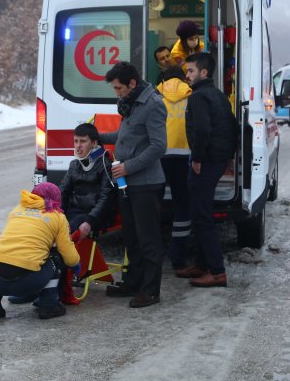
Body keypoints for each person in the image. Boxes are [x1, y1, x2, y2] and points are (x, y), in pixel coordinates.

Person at [101, 61, 167, 308]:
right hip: (127, 183)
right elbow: (126, 136)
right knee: (131, 237)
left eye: (119, 88)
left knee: (148, 238)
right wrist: (98, 137)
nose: (116, 93)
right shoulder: (130, 104)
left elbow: (159, 146)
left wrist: (129, 167)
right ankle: (133, 283)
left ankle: (150, 291)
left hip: (146, 184)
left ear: (132, 83)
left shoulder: (152, 105)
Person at [178, 52, 237, 287]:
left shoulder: (199, 97)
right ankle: (202, 265)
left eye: (191, 71)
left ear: (203, 73)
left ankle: (216, 271)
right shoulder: (218, 95)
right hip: (218, 158)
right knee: (201, 212)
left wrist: (198, 158)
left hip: (207, 160)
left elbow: (202, 131)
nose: (187, 75)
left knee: (201, 215)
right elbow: (231, 125)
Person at [0, 182, 81, 319]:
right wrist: (75, 264)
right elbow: (69, 256)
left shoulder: (17, 210)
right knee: (55, 258)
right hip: (27, 282)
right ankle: (49, 305)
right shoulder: (57, 217)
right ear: (56, 199)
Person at [156, 66, 193, 271]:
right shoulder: (191, 95)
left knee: (155, 202)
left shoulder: (155, 95)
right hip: (184, 156)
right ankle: (178, 257)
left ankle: (154, 252)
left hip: (160, 155)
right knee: (182, 204)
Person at [60, 123, 117, 239]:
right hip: (76, 211)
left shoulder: (105, 165)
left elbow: (105, 198)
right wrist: (57, 211)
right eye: (76, 141)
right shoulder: (74, 165)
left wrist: (90, 220)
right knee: (51, 223)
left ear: (94, 143)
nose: (78, 146)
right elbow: (63, 191)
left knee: (68, 228)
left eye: (83, 141)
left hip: (97, 215)